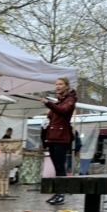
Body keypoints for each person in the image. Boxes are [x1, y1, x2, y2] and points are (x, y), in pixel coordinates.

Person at [40, 77, 77, 205]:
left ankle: (61, 194)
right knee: (57, 167)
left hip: (61, 137)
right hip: (53, 137)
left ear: (67, 86)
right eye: (56, 84)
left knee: (60, 167)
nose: (58, 86)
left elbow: (63, 111)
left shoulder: (70, 100)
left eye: (61, 84)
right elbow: (56, 114)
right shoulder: (60, 101)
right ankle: (58, 193)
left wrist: (48, 103)